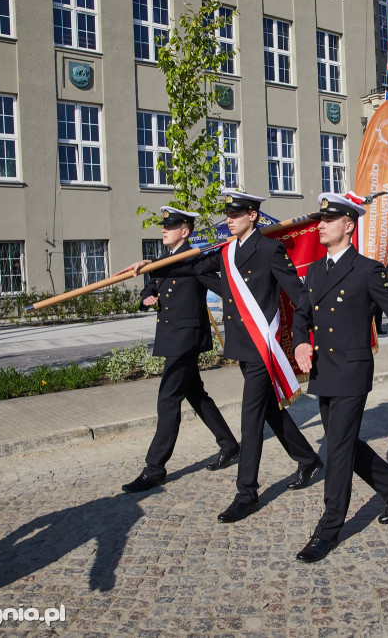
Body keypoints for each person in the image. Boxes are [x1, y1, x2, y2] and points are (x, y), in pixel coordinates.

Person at [292, 194, 388, 563]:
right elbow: (301, 315)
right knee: (340, 440)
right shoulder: (314, 271)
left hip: (352, 371)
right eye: (320, 220)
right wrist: (299, 342)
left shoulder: (368, 270)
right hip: (323, 372)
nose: (321, 225)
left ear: (349, 225)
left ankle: (328, 528)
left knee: (337, 449)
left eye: (329, 220)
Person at [207, 192, 323, 524]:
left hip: (262, 348)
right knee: (269, 409)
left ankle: (247, 493)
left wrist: (305, 333)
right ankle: (307, 458)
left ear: (253, 216)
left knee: (251, 416)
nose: (229, 218)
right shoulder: (228, 252)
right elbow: (201, 270)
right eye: (228, 213)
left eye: (236, 213)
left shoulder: (271, 249)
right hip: (243, 345)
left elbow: (298, 294)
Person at [115, 207, 240, 493]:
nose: (164, 230)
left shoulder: (195, 259)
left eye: (170, 227)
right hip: (172, 336)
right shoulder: (166, 260)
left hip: (187, 338)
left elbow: (224, 286)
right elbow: (152, 283)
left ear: (185, 231)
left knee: (168, 399)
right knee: (195, 394)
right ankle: (230, 445)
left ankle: (154, 468)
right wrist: (148, 295)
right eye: (164, 226)